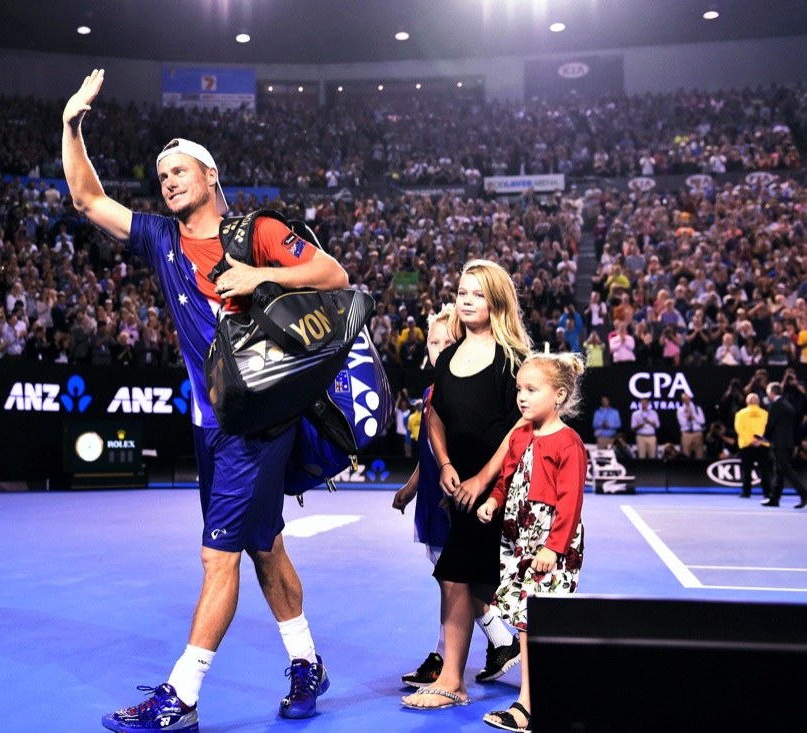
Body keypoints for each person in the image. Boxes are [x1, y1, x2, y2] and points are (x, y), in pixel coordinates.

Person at [62, 69, 349, 732]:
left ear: (211, 176)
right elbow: (85, 198)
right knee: (264, 545)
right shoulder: (161, 239)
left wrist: (260, 273)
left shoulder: (257, 231)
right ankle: (308, 661)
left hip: (258, 422)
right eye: (162, 175)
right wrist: (73, 123)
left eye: (180, 169)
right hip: (209, 425)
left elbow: (332, 274)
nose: (168, 181)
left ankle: (181, 697)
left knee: (217, 555)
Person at [401, 259, 530, 711]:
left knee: (457, 577)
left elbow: (519, 431)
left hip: (497, 491)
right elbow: (435, 415)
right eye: (462, 292)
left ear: (495, 300)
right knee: (468, 583)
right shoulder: (451, 355)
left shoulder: (512, 359)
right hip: (459, 491)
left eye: (477, 293)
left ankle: (453, 680)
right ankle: (486, 662)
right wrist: (445, 462)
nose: (467, 299)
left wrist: (482, 477)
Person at [476, 351, 588, 733]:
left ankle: (528, 703)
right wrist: (493, 500)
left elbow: (570, 502)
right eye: (519, 388)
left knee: (532, 621)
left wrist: (553, 547)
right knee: (526, 622)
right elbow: (507, 479)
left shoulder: (568, 443)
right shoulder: (521, 434)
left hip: (549, 545)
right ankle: (538, 695)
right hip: (519, 540)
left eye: (531, 389)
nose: (521, 396)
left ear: (558, 395)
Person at [391, 307, 459, 688]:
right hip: (432, 496)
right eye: (435, 341)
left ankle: (446, 658)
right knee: (449, 577)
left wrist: (457, 493)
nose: (440, 348)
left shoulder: (458, 391)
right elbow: (430, 451)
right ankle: (497, 644)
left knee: (455, 579)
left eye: (448, 341)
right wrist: (412, 486)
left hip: (454, 499)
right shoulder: (430, 391)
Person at [761, 383, 807, 508]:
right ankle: (774, 498)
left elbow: (770, 425)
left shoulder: (776, 405)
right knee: (779, 471)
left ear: (772, 393)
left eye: (768, 392)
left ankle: (803, 493)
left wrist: (764, 437)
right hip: (788, 442)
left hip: (780, 443)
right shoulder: (788, 405)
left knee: (785, 469)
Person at [676, 392, 706, 458]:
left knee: (699, 454)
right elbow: (682, 424)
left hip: (697, 433)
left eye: (687, 399)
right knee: (686, 454)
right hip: (686, 434)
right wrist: (687, 417)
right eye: (684, 399)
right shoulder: (680, 411)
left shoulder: (697, 408)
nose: (686, 401)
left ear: (690, 399)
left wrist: (693, 416)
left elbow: (702, 421)